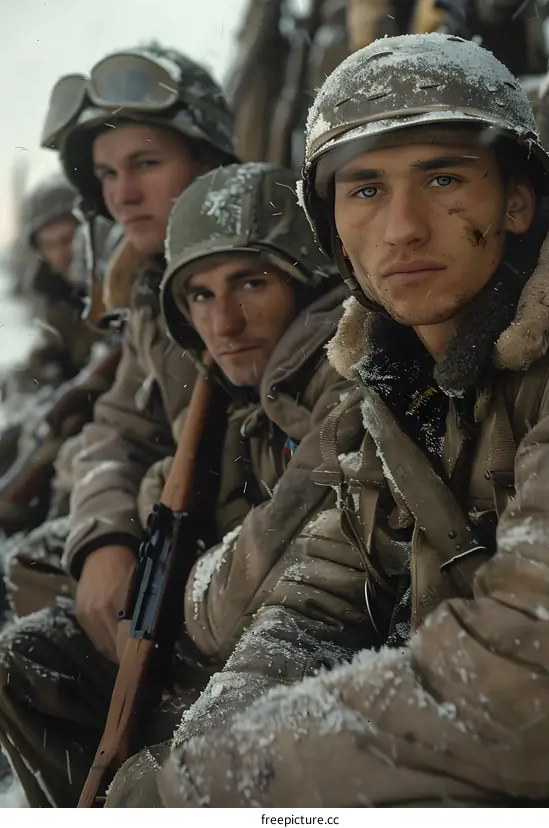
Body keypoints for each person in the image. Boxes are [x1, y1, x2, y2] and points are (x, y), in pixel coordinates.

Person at [155, 33, 549, 808]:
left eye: (443, 177)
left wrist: (225, 778)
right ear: (333, 229)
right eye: (365, 190)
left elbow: (539, 686)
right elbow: (316, 601)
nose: (403, 228)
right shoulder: (392, 387)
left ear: (518, 201)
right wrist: (216, 740)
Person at [0, 160, 351, 807]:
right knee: (25, 661)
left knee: (150, 784)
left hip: (317, 652)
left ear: (308, 281)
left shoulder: (338, 373)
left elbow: (259, 576)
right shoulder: (245, 383)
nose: (225, 323)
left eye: (251, 283)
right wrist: (124, 527)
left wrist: (165, 582)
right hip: (239, 629)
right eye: (201, 296)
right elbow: (129, 444)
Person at [3, 173, 102, 397]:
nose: (60, 256)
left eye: (67, 240)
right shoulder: (56, 295)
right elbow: (51, 351)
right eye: (47, 245)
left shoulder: (114, 291)